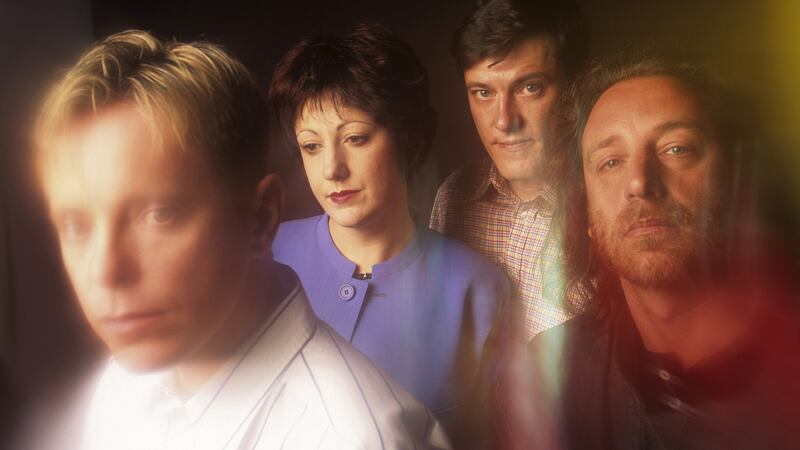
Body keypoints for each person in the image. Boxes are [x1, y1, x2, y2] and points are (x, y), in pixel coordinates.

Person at [29, 29, 450, 450]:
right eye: (77, 225)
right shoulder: (117, 387)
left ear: (260, 218)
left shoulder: (350, 438)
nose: (105, 271)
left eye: (158, 214)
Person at [498, 55, 800, 449]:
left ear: (738, 182)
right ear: (585, 213)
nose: (640, 181)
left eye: (677, 149)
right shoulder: (549, 376)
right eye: (610, 162)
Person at [269, 23, 509, 446]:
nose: (332, 169)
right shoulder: (265, 255)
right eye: (311, 146)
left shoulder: (479, 289)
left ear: (406, 138)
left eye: (356, 138)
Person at [430, 0, 589, 340]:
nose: (503, 120)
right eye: (483, 92)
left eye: (529, 87)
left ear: (574, 89)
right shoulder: (453, 195)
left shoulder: (607, 209)